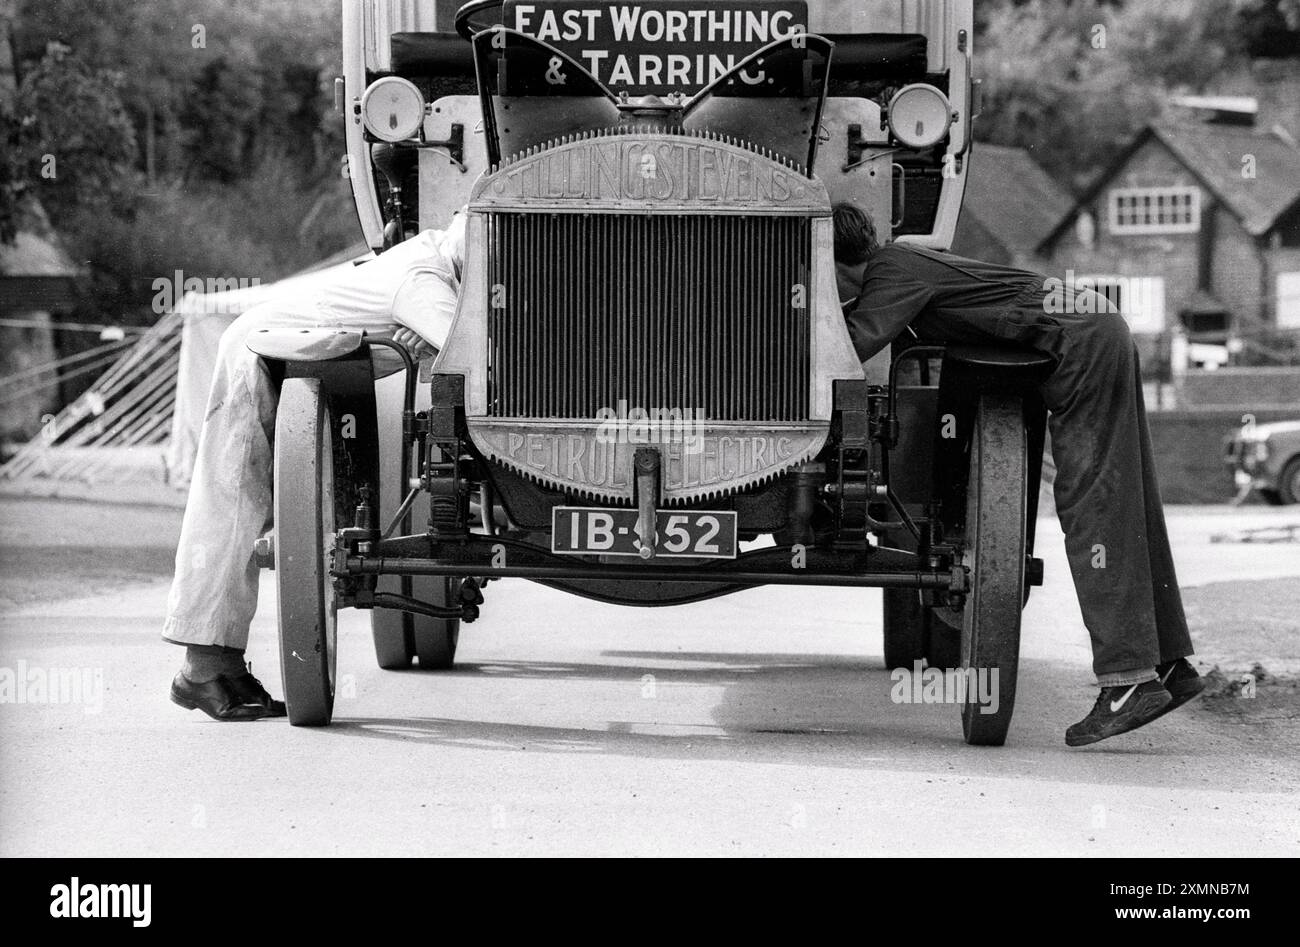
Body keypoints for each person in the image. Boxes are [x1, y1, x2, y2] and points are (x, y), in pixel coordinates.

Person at [832, 202, 1204, 747]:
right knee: (1128, 497)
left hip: (1082, 343)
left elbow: (851, 345)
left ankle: (1128, 681)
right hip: (1093, 327)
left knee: (1092, 502)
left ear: (834, 258)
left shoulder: (892, 271)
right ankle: (1169, 664)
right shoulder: (903, 262)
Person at [164, 214, 466, 721]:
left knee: (236, 510)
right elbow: (474, 361)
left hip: (275, 356)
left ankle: (218, 668)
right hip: (257, 360)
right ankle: (202, 670)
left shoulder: (432, 261)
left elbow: (450, 340)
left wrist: (436, 339)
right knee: (231, 510)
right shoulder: (425, 280)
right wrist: (443, 339)